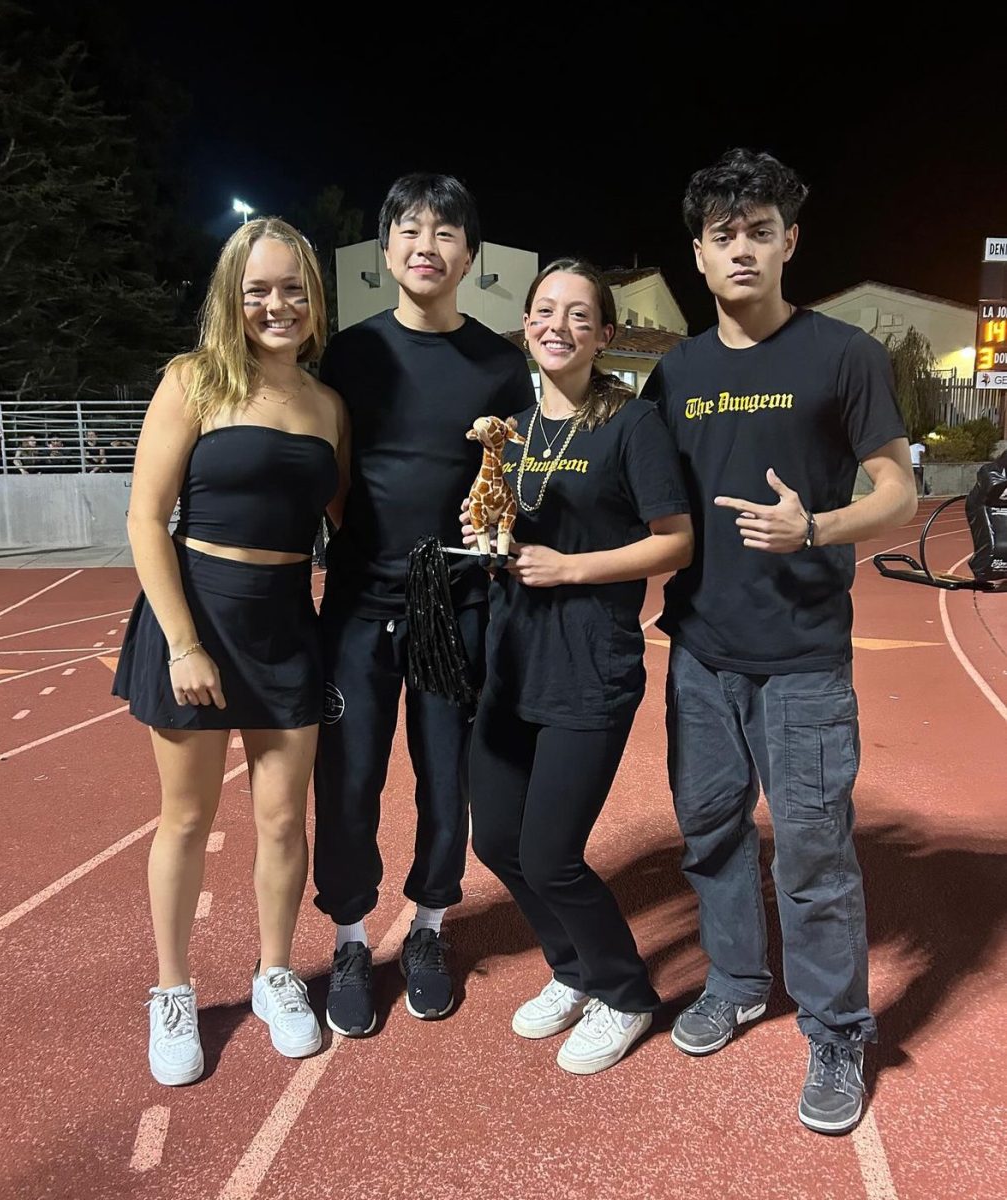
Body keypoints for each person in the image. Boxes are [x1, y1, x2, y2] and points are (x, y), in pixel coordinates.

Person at [640, 149, 917, 1133]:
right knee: (710, 841)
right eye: (723, 235)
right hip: (701, 658)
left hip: (801, 658)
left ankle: (838, 1030)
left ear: (788, 241)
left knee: (810, 856)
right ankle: (735, 981)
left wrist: (817, 526)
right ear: (699, 257)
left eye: (759, 230)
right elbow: (638, 499)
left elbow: (897, 488)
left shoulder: (841, 355)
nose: (742, 248)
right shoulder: (673, 372)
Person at [113, 217, 348, 1086]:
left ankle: (275, 973)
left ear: (314, 298)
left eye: (293, 288)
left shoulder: (328, 406)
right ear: (232, 298)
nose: (277, 304)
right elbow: (145, 518)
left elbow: (349, 525)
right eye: (259, 290)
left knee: (285, 820)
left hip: (289, 625)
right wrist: (181, 642)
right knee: (186, 819)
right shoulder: (193, 382)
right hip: (198, 621)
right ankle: (172, 990)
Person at [313, 173, 535, 1036]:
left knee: (447, 781)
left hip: (457, 607)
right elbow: (333, 471)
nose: (426, 245)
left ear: (470, 257)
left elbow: (508, 482)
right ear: (386, 249)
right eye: (410, 228)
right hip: (359, 609)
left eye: (446, 232)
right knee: (350, 779)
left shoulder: (497, 362)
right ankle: (348, 936)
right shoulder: (351, 353)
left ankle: (432, 931)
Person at [464, 260, 693, 1074]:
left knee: (553, 852)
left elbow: (676, 539)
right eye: (543, 310)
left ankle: (626, 992)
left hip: (589, 666)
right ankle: (573, 970)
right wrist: (485, 537)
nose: (556, 324)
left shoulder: (632, 426)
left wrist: (572, 567)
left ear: (602, 333)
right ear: (526, 323)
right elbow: (502, 530)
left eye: (577, 314)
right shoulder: (515, 431)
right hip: (510, 663)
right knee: (495, 839)